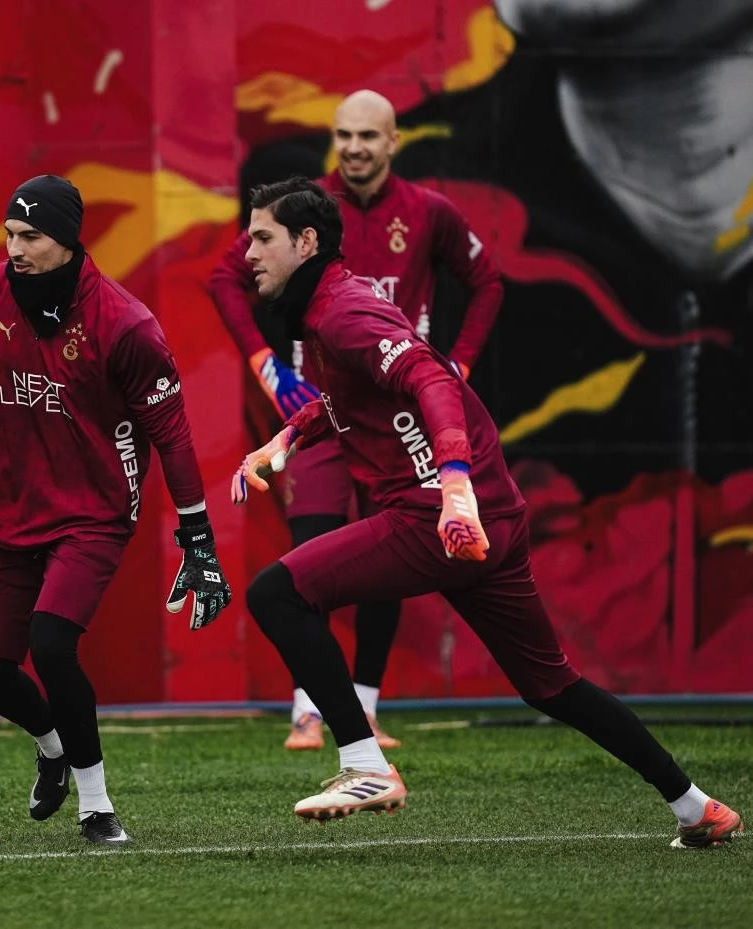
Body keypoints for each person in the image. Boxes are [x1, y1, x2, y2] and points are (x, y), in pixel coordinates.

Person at [232, 175, 742, 849]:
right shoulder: (335, 306)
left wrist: (452, 485)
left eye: (261, 237)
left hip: (437, 518)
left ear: (305, 241)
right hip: (488, 520)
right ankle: (696, 806)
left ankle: (365, 764)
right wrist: (287, 438)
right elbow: (355, 397)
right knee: (552, 686)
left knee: (276, 594)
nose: (248, 253)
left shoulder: (342, 312)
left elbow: (430, 378)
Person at [0, 174, 232, 845]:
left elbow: (174, 437)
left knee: (51, 642)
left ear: (66, 239)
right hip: (11, 507)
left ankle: (97, 806)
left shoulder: (126, 324)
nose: (14, 248)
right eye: (9, 233)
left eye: (30, 236)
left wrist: (198, 538)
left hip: (95, 511)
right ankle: (53, 748)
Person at [210, 89, 503, 750]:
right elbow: (225, 276)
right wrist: (265, 364)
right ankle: (307, 709)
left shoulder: (429, 212)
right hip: (319, 407)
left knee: (388, 553)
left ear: (393, 141)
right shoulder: (298, 210)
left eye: (368, 136)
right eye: (344, 135)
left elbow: (487, 281)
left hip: (399, 414)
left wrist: (455, 365)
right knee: (311, 545)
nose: (354, 148)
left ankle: (365, 705)